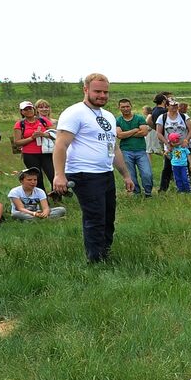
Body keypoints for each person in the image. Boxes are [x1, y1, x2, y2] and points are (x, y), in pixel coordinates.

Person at [53, 73, 136, 264]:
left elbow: (113, 147)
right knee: (95, 218)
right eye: (97, 91)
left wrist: (126, 175)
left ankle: (104, 252)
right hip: (84, 174)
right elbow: (60, 145)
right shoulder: (74, 113)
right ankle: (96, 260)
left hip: (105, 174)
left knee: (108, 217)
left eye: (105, 92)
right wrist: (59, 175)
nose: (102, 95)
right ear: (86, 90)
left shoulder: (107, 116)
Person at [113, 98, 153, 197]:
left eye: (127, 106)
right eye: (123, 107)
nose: (126, 109)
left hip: (141, 150)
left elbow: (144, 132)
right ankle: (136, 193)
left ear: (131, 106)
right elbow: (119, 135)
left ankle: (148, 192)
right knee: (131, 175)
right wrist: (135, 130)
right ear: (119, 108)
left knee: (147, 173)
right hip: (126, 151)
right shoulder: (118, 120)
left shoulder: (139, 118)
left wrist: (126, 133)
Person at [154, 102, 191, 193]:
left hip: (183, 146)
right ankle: (163, 189)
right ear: (167, 106)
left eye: (176, 105)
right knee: (167, 168)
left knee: (185, 167)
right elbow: (158, 133)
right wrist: (167, 144)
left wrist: (186, 140)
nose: (174, 107)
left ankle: (186, 187)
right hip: (170, 147)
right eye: (172, 105)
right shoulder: (162, 117)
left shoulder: (184, 116)